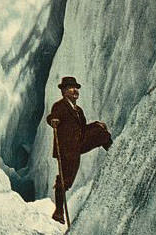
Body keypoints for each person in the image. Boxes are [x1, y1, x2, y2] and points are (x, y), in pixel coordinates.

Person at [46, 76, 112, 224]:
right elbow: (52, 116)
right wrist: (53, 121)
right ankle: (58, 211)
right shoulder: (60, 106)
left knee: (100, 131)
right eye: (70, 87)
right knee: (65, 180)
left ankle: (115, 151)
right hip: (67, 149)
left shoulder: (78, 110)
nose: (75, 90)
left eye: (75, 87)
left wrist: (96, 125)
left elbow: (83, 129)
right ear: (64, 91)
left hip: (79, 143)